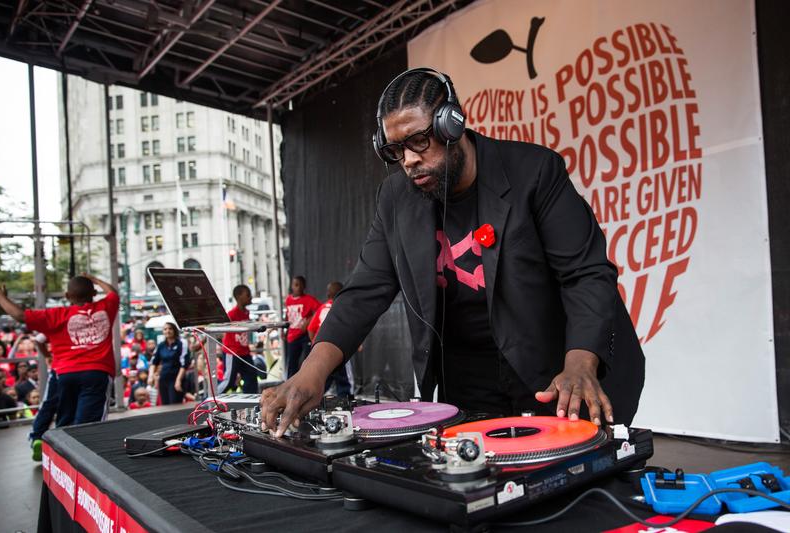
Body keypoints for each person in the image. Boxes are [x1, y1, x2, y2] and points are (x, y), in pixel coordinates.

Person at [262, 68, 645, 436]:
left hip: (554, 370)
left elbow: (586, 273)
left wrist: (580, 361)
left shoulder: (534, 172)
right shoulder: (396, 199)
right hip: (468, 380)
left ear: (452, 125)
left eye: (418, 141)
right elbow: (365, 291)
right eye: (396, 150)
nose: (409, 160)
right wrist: (312, 370)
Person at [0, 274, 118, 436]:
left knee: (65, 420)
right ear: (94, 293)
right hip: (97, 373)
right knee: (88, 425)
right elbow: (113, 292)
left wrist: (0, 298)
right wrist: (96, 280)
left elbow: (21, 315)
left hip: (65, 375)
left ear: (67, 296)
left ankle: (56, 451)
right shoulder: (106, 307)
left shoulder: (56, 315)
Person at [308, 281, 351, 397]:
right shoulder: (341, 308)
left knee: (324, 375)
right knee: (340, 375)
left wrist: (314, 343)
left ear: (328, 295)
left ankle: (315, 396)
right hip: (335, 348)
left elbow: (311, 328)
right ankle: (344, 397)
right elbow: (348, 329)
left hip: (319, 348)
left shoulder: (322, 308)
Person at [218, 285, 260, 394]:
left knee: (251, 377)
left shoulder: (246, 313)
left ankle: (250, 403)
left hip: (244, 352)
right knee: (229, 381)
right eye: (248, 295)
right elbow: (218, 329)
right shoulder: (231, 314)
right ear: (239, 297)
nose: (250, 297)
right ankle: (210, 401)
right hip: (233, 353)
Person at [284, 276, 321, 379]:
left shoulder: (308, 299)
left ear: (304, 287)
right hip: (292, 336)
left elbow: (319, 310)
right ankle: (290, 384)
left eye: (300, 285)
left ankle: (307, 381)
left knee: (307, 360)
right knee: (292, 362)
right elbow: (287, 316)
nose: (298, 287)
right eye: (295, 285)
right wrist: (284, 331)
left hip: (304, 336)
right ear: (292, 286)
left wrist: (309, 321)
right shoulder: (288, 300)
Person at [148, 323, 191, 404]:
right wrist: (150, 376)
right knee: (165, 405)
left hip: (176, 377)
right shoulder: (161, 345)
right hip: (163, 378)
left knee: (175, 403)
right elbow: (154, 361)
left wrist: (178, 380)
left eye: (170, 328)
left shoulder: (182, 343)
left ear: (174, 330)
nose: (167, 331)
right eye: (165, 329)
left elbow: (184, 364)